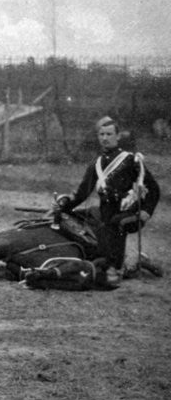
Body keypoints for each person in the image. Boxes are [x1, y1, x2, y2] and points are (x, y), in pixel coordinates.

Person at [56, 116, 160, 284]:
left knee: (115, 224)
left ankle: (117, 268)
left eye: (109, 134)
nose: (105, 138)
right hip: (107, 211)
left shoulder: (130, 160)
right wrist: (64, 204)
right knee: (82, 222)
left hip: (129, 211)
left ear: (118, 136)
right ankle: (130, 262)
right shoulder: (96, 164)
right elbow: (83, 193)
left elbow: (154, 189)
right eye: (101, 134)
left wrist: (146, 211)